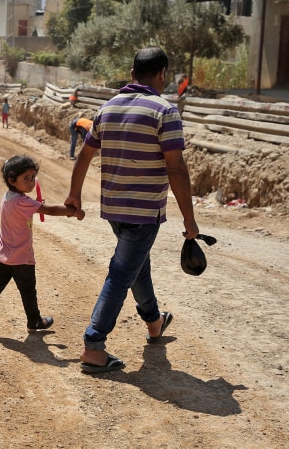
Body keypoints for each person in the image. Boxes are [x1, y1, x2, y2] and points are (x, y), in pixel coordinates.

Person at [64, 46, 199, 374]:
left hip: (114, 208)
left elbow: (84, 155)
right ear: (163, 74)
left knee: (136, 265)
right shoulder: (164, 112)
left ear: (131, 73)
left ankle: (154, 322)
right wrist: (190, 220)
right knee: (122, 272)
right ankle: (93, 346)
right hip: (144, 212)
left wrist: (74, 195)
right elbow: (176, 169)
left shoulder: (107, 109)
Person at [0, 155, 85, 338]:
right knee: (28, 290)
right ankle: (35, 320)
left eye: (32, 178)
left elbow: (36, 207)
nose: (30, 182)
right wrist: (73, 211)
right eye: (26, 179)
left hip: (2, 254)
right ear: (12, 180)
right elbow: (51, 210)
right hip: (21, 258)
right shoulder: (23, 202)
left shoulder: (9, 197)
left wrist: (37, 204)